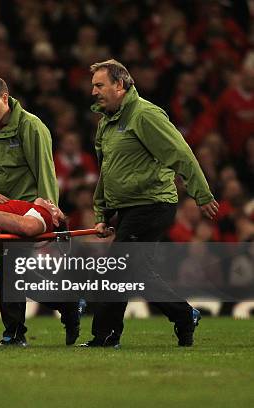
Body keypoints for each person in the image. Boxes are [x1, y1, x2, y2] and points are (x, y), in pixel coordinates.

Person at [82, 59, 218, 348]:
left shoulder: (145, 115)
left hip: (153, 204)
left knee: (116, 268)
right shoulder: (107, 121)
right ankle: (183, 315)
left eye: (99, 85)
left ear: (119, 85)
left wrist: (201, 194)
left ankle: (105, 336)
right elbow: (107, 171)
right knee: (136, 272)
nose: (93, 91)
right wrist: (103, 212)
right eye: (93, 85)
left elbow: (181, 153)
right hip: (128, 207)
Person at [0, 75, 80, 347]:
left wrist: (49, 212)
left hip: (27, 210)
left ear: (5, 98)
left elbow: (45, 171)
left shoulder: (30, 127)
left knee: (10, 270)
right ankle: (66, 304)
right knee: (14, 272)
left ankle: (16, 332)